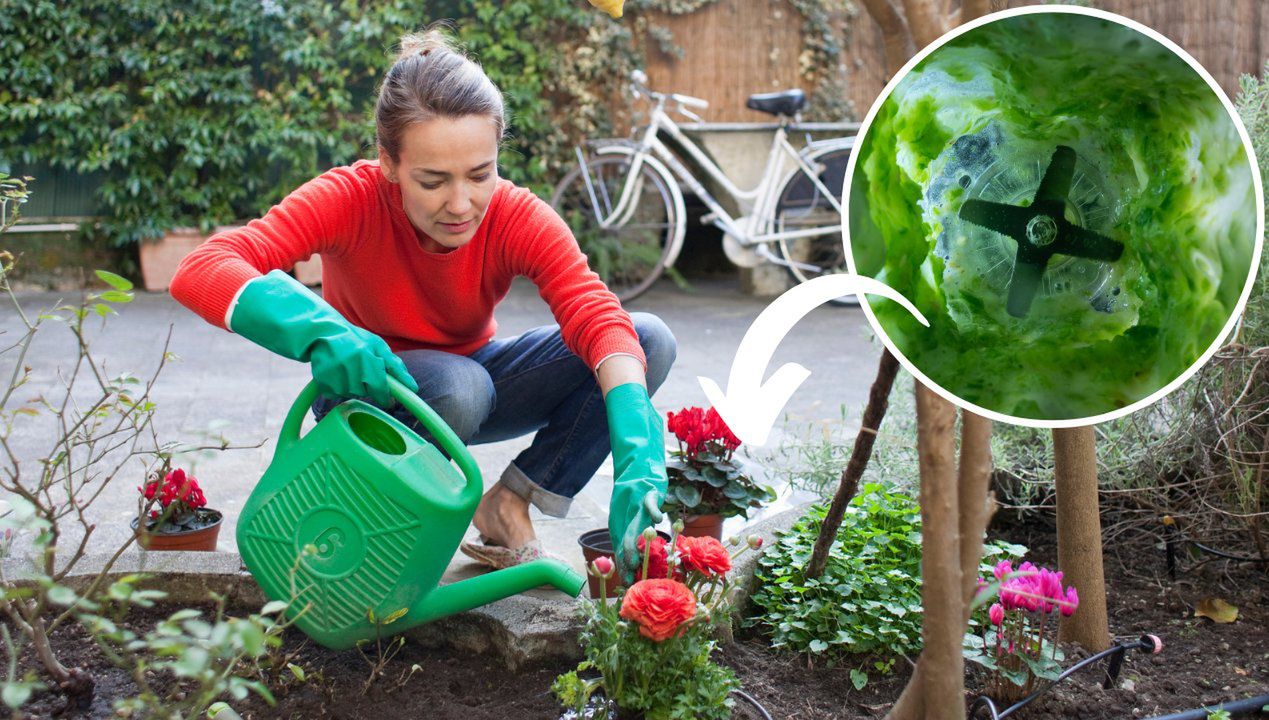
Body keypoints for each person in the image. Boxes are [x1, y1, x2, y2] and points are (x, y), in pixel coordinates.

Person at [169, 28, 675, 579]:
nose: (461, 204)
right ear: (388, 161)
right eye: (432, 181)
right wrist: (320, 331)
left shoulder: (514, 215)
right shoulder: (350, 198)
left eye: (480, 174)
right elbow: (204, 268)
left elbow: (595, 314)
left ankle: (507, 504)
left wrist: (636, 445)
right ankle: (379, 538)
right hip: (368, 393)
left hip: (471, 386)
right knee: (460, 387)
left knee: (645, 339)